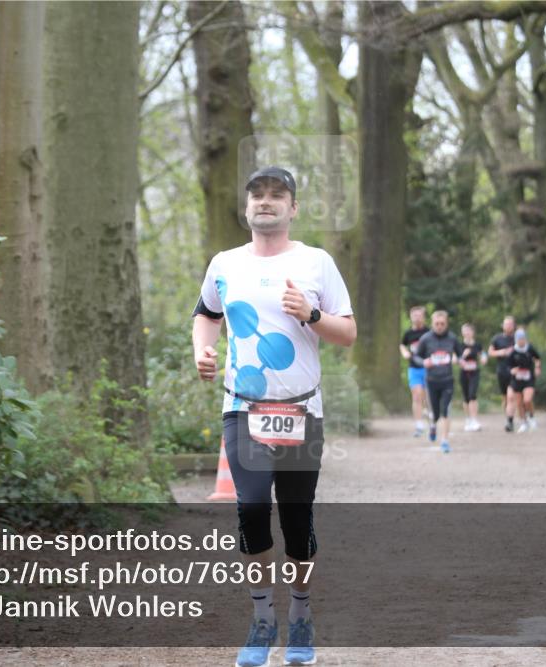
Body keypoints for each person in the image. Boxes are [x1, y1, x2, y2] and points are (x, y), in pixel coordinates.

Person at [192, 166, 356, 667]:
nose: (266, 202)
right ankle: (263, 618)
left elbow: (347, 333)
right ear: (246, 208)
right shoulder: (224, 263)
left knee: (297, 518)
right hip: (243, 408)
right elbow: (206, 313)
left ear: (293, 208)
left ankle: (301, 614)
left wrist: (310, 314)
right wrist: (203, 349)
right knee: (251, 507)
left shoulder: (316, 262)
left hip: (301, 409)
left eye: (277, 195)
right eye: (257, 195)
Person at [413, 310, 464, 453]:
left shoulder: (453, 338)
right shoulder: (425, 338)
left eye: (442, 324)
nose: (440, 326)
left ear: (446, 324)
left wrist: (459, 360)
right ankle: (433, 425)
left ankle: (445, 440)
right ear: (432, 324)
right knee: (434, 413)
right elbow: (415, 357)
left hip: (447, 380)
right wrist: (424, 362)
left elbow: (461, 355)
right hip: (431, 380)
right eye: (437, 324)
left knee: (445, 409)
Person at [504, 328, 542, 434]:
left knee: (527, 400)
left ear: (525, 339)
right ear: (516, 340)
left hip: (528, 378)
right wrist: (512, 370)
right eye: (519, 339)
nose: (521, 341)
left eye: (523, 339)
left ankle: (532, 417)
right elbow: (507, 366)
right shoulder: (512, 351)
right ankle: (523, 422)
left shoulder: (530, 348)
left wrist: (537, 367)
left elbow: (538, 358)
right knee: (519, 403)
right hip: (517, 380)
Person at [400, 306, 430, 437]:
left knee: (427, 397)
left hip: (429, 368)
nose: (417, 317)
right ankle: (419, 425)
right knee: (417, 395)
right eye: (414, 315)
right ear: (411, 317)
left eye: (419, 315)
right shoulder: (408, 334)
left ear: (423, 317)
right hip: (414, 368)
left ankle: (431, 419)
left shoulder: (429, 332)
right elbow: (402, 344)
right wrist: (405, 352)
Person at [488, 315, 517, 431]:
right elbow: (490, 352)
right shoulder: (497, 339)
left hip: (514, 372)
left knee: (511, 397)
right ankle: (508, 417)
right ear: (503, 326)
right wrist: (502, 352)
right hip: (501, 371)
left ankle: (510, 421)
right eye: (506, 324)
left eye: (510, 324)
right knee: (505, 398)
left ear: (514, 326)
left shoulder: (518, 338)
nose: (508, 326)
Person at [458, 323, 487, 432]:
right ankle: (468, 419)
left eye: (468, 331)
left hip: (474, 373)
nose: (466, 333)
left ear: (472, 332)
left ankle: (474, 420)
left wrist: (484, 358)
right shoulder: (459, 345)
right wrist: (463, 356)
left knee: (472, 395)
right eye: (464, 331)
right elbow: (455, 359)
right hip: (464, 373)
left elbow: (483, 354)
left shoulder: (477, 345)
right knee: (466, 397)